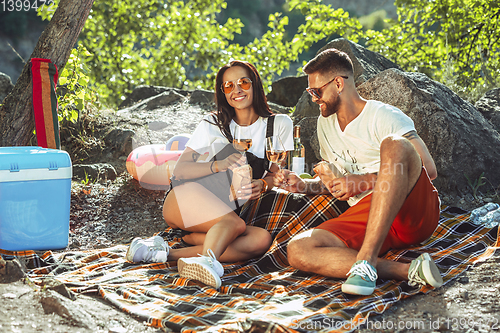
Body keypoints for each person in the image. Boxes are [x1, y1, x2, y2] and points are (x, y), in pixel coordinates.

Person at [277, 48, 443, 295]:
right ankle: (406, 271)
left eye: (316, 91)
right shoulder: (325, 125)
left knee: (394, 144)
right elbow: (335, 181)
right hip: (366, 216)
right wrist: (305, 186)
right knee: (298, 248)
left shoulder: (383, 116)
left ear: (338, 83)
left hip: (412, 212)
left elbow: (428, 169)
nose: (313, 98)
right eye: (310, 92)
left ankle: (365, 261)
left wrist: (363, 182)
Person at [125, 60, 294, 289]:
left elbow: (278, 173)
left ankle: (164, 254)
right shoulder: (214, 123)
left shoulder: (279, 124)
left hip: (224, 210)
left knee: (260, 240)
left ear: (255, 85)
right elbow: (181, 169)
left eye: (243, 82)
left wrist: (263, 184)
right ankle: (208, 261)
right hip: (185, 198)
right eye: (228, 86)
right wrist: (219, 164)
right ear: (223, 92)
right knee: (234, 225)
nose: (236, 90)